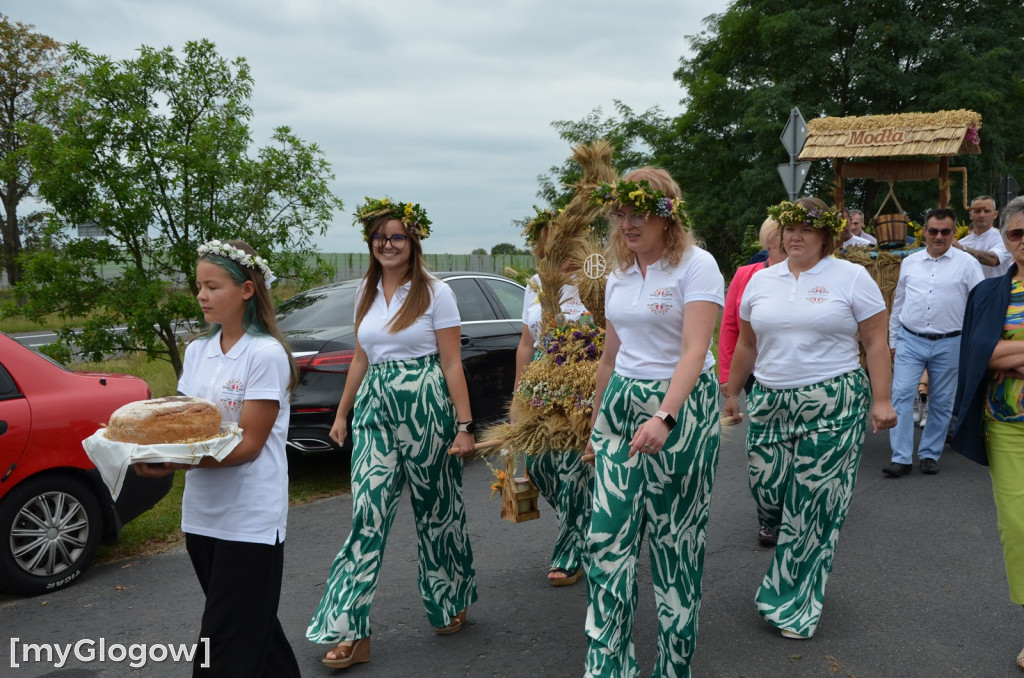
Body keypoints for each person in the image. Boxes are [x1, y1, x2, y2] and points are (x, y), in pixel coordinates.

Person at [307, 198, 477, 669]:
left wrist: (464, 427)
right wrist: (342, 414)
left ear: (413, 242)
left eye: (397, 236)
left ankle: (450, 599)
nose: (387, 244)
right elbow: (361, 358)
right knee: (367, 514)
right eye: (380, 236)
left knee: (438, 512)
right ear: (370, 242)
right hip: (374, 408)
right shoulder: (365, 293)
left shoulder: (436, 293)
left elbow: (451, 363)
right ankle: (350, 630)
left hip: (425, 405)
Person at [723, 197, 896, 640]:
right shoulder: (761, 282)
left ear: (826, 236)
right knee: (768, 491)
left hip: (833, 402)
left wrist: (881, 400)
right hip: (770, 402)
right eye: (789, 228)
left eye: (806, 229)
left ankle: (792, 604)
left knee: (814, 508)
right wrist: (729, 392)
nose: (795, 236)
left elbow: (876, 341)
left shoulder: (852, 277)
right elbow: (747, 344)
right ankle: (790, 550)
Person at [134, 240, 301, 677]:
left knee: (222, 648)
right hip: (203, 516)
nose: (202, 296)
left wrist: (176, 464)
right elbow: (187, 424)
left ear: (247, 289)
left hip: (250, 519)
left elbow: (248, 447)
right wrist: (145, 447)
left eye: (213, 286)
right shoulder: (197, 351)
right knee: (256, 634)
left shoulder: (264, 354)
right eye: (199, 287)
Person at [584, 168, 724, 677]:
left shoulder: (697, 266)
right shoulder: (618, 274)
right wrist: (595, 428)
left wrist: (665, 415)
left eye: (638, 213)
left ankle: (674, 666)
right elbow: (608, 357)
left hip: (680, 409)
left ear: (667, 215)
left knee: (675, 544)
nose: (627, 224)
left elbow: (695, 350)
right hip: (622, 407)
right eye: (620, 214)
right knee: (605, 540)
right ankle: (608, 667)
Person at [951, 195, 1024, 672]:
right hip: (1008, 427)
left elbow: (998, 355)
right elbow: (979, 358)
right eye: (1018, 235)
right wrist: (997, 355)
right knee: (1018, 529)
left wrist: (1010, 353)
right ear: (1007, 238)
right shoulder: (989, 294)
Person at [514, 216, 593, 586]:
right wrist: (518, 397)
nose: (563, 254)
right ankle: (589, 524)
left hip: (588, 390)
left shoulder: (601, 281)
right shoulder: (535, 285)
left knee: (574, 469)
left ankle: (570, 551)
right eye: (554, 245)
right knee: (539, 465)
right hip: (544, 389)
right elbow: (527, 345)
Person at [884, 208, 984, 477]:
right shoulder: (910, 262)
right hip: (910, 338)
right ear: (924, 233)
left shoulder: (967, 263)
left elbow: (979, 305)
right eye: (933, 231)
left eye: (945, 231)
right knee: (902, 395)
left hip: (951, 341)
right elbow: (899, 302)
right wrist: (893, 340)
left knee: (941, 401)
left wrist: (973, 343)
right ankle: (901, 457)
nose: (938, 236)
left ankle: (929, 453)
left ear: (953, 233)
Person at [719, 217, 785, 398]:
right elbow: (729, 326)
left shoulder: (804, 276)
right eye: (781, 240)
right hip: (753, 369)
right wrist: (726, 375)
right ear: (769, 243)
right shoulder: (745, 274)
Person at [954, 195, 1012, 278]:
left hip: (995, 290)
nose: (982, 215)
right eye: (977, 211)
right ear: (971, 215)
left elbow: (993, 260)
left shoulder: (1005, 240)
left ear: (995, 214)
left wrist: (963, 249)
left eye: (987, 211)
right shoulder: (962, 243)